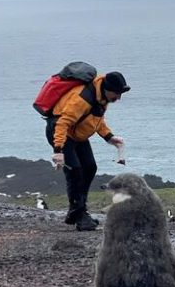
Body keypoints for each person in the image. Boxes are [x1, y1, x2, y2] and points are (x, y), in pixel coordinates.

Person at [46, 71, 130, 230]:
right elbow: (62, 123)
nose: (119, 98)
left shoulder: (102, 97)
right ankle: (79, 215)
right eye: (117, 93)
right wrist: (58, 150)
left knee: (90, 167)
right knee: (75, 171)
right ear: (108, 88)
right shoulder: (82, 99)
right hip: (61, 133)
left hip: (77, 135)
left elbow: (96, 120)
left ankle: (78, 209)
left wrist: (109, 137)